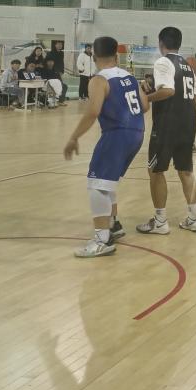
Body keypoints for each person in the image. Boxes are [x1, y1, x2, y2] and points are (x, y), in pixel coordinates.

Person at [63, 36, 147, 258]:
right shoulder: (130, 77)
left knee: (97, 183)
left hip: (117, 134)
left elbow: (93, 111)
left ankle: (102, 239)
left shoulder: (99, 80)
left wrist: (74, 137)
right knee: (108, 182)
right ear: (117, 55)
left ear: (94, 56)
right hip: (137, 134)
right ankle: (113, 225)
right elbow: (145, 105)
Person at [137, 26, 196, 235]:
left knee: (155, 171)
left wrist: (146, 97)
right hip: (189, 123)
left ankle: (160, 221)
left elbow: (168, 91)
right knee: (186, 171)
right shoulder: (188, 66)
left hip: (167, 124)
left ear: (161, 43)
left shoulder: (163, 62)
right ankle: (194, 218)